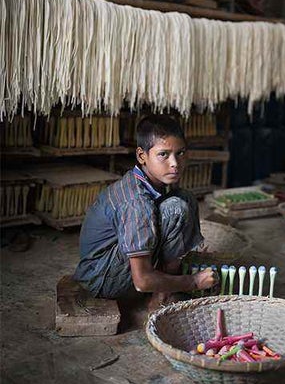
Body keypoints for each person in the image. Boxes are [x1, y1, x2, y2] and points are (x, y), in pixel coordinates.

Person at [74, 115, 216, 307]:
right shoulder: (135, 202)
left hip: (111, 267)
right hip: (101, 279)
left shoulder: (148, 181)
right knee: (176, 209)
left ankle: (165, 288)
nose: (174, 163)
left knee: (185, 198)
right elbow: (142, 281)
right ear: (142, 156)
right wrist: (193, 281)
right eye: (163, 154)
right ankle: (161, 297)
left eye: (180, 153)